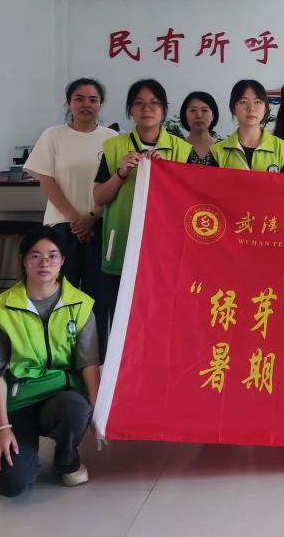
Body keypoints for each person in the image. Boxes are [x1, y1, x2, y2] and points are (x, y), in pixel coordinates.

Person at [0, 226, 100, 497]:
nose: (44, 263)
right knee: (9, 484)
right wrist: (2, 428)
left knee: (76, 408)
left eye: (52, 256)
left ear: (62, 261)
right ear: (23, 261)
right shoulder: (0, 308)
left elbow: (89, 363)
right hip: (17, 400)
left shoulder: (81, 305)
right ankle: (27, 459)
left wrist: (96, 407)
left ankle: (67, 460)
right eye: (35, 256)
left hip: (61, 396)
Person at [93, 79, 190, 359]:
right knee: (120, 317)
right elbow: (99, 197)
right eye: (139, 104)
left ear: (164, 109)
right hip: (121, 245)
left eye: (154, 103)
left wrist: (169, 173)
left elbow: (190, 203)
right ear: (130, 110)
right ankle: (119, 369)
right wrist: (121, 172)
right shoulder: (114, 147)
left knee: (160, 316)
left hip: (165, 250)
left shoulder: (181, 150)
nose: (147, 109)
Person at [24, 78, 117, 290]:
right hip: (62, 224)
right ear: (68, 103)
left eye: (93, 99)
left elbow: (117, 183)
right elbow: (46, 180)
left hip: (102, 223)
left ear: (100, 104)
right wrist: (76, 220)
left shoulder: (112, 138)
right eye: (79, 99)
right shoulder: (53, 135)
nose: (86, 104)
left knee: (98, 292)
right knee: (62, 289)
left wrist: (92, 217)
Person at [211, 79, 284, 172]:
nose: (251, 108)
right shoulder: (218, 152)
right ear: (233, 108)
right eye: (243, 102)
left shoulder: (282, 150)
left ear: (265, 109)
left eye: (257, 102)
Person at [181, 91, 220, 167]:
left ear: (213, 115)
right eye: (193, 110)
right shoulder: (176, 148)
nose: (199, 115)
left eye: (204, 110)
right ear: (185, 115)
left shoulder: (223, 149)